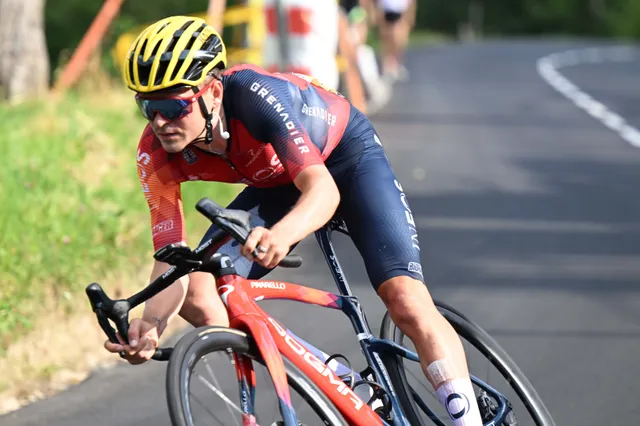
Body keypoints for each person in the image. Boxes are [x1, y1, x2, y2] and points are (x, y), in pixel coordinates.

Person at [105, 15, 482, 425]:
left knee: (405, 301)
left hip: (344, 161)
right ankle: (342, 381)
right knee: (200, 292)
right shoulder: (155, 154)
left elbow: (323, 190)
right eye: (147, 106)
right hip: (277, 180)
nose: (159, 122)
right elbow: (170, 255)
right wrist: (152, 324)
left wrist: (282, 235)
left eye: (171, 106)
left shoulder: (253, 96)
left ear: (212, 92)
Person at [376, 0, 416, 81]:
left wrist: (410, 15)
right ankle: (387, 64)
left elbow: (412, 2)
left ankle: (397, 62)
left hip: (401, 13)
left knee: (399, 40)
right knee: (387, 40)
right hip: (386, 12)